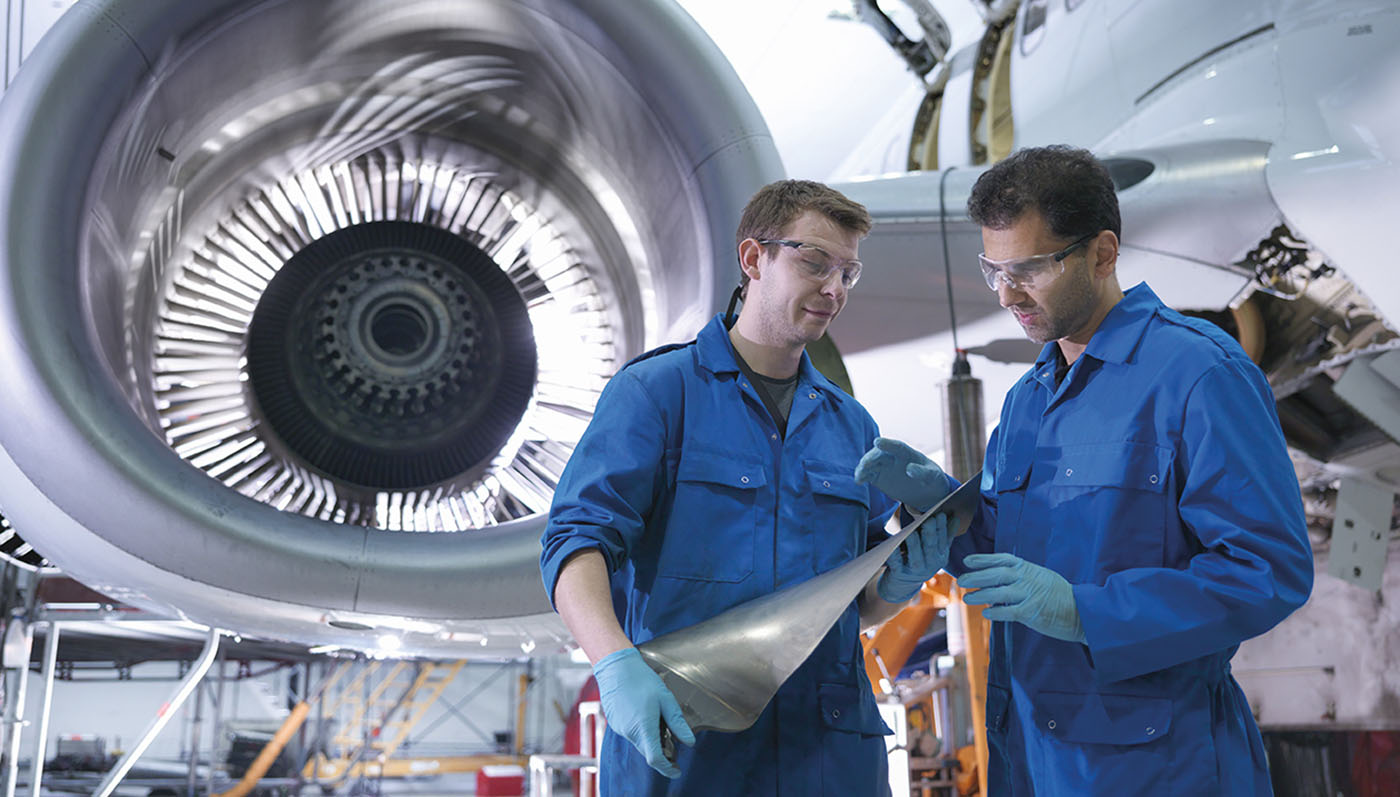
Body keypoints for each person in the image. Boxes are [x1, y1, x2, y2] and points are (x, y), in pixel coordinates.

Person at [856, 145, 1314, 795]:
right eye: (994, 270)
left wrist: (1087, 612)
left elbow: (1268, 571)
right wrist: (948, 514)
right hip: (1031, 759)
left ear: (1102, 253)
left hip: (1161, 768)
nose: (1007, 294)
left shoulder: (1199, 375)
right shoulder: (1028, 399)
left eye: (1028, 269)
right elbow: (1012, 564)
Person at [539, 179, 951, 796]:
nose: (835, 289)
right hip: (693, 749)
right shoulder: (658, 394)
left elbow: (856, 604)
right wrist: (614, 661)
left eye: (848, 273)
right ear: (754, 258)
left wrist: (897, 582)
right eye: (816, 263)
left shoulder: (851, 424)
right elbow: (575, 542)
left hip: (831, 759)